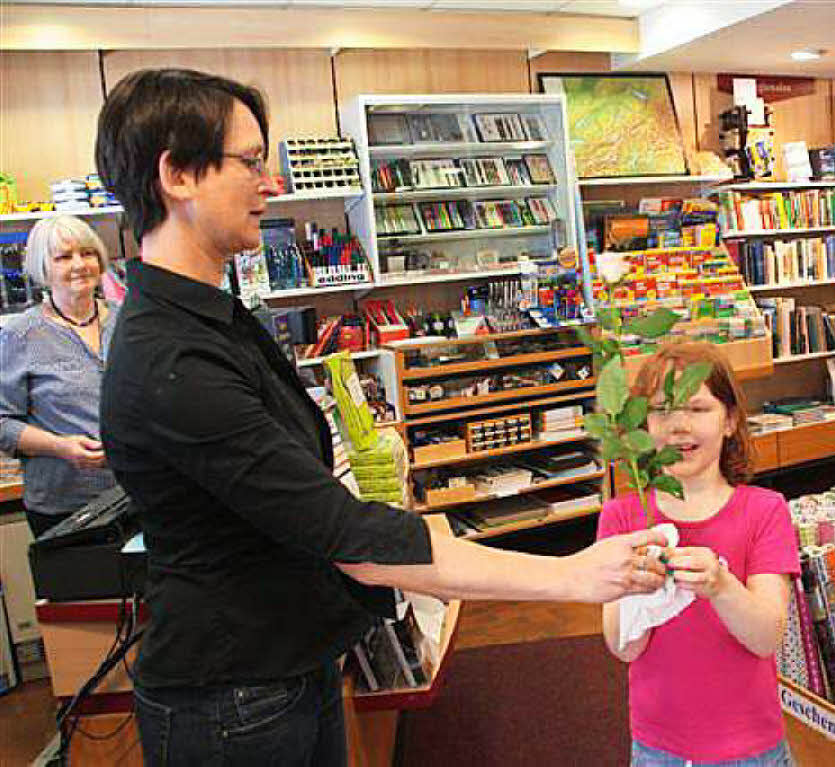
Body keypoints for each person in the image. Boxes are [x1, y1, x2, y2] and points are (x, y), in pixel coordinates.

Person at [94, 67, 667, 767]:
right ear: (177, 174)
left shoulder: (209, 317)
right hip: (232, 701)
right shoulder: (170, 360)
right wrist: (572, 577)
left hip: (284, 667)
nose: (270, 182)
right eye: (249, 161)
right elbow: (350, 538)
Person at [597, 342, 799, 767]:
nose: (679, 427)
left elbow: (766, 636)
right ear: (641, 425)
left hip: (750, 747)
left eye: (698, 408)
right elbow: (622, 647)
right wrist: (640, 589)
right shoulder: (623, 516)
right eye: (661, 410)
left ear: (730, 420)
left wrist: (721, 586)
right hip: (658, 746)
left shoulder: (764, 511)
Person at [0, 216, 118, 537]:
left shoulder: (128, 322)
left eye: (87, 253)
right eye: (64, 257)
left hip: (137, 493)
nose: (79, 265)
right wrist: (60, 447)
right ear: (43, 267)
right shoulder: (21, 334)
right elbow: (2, 422)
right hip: (65, 508)